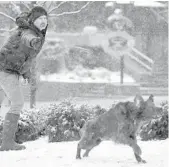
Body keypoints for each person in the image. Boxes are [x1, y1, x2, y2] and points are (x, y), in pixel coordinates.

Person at [0, 6, 48, 151]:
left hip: (6, 68)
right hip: (6, 70)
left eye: (45, 19)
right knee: (17, 103)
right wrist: (34, 41)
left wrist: (26, 73)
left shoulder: (30, 30)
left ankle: (6, 142)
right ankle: (7, 143)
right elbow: (27, 39)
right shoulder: (29, 32)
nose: (43, 21)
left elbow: (26, 57)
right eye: (40, 19)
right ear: (33, 20)